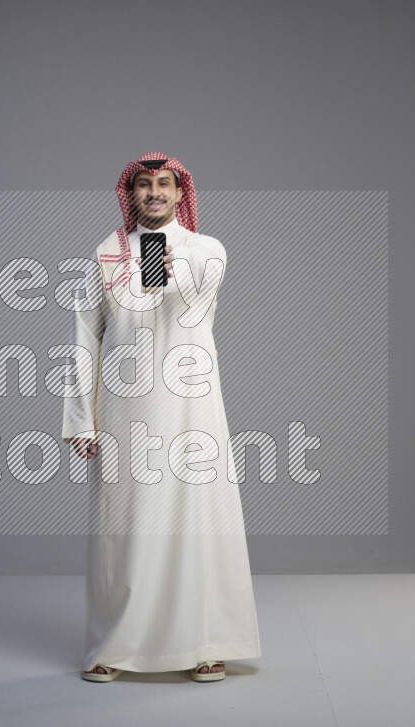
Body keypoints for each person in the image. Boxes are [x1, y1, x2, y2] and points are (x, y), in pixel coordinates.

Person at [61, 152, 261, 683]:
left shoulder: (205, 250)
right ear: (131, 195)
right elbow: (85, 337)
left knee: (197, 524)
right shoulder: (106, 253)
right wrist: (81, 419)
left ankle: (205, 643)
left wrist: (165, 265)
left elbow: (194, 297)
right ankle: (113, 645)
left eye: (164, 185)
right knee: (122, 528)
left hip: (192, 407)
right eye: (144, 185)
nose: (154, 193)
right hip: (124, 408)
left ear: (179, 194)